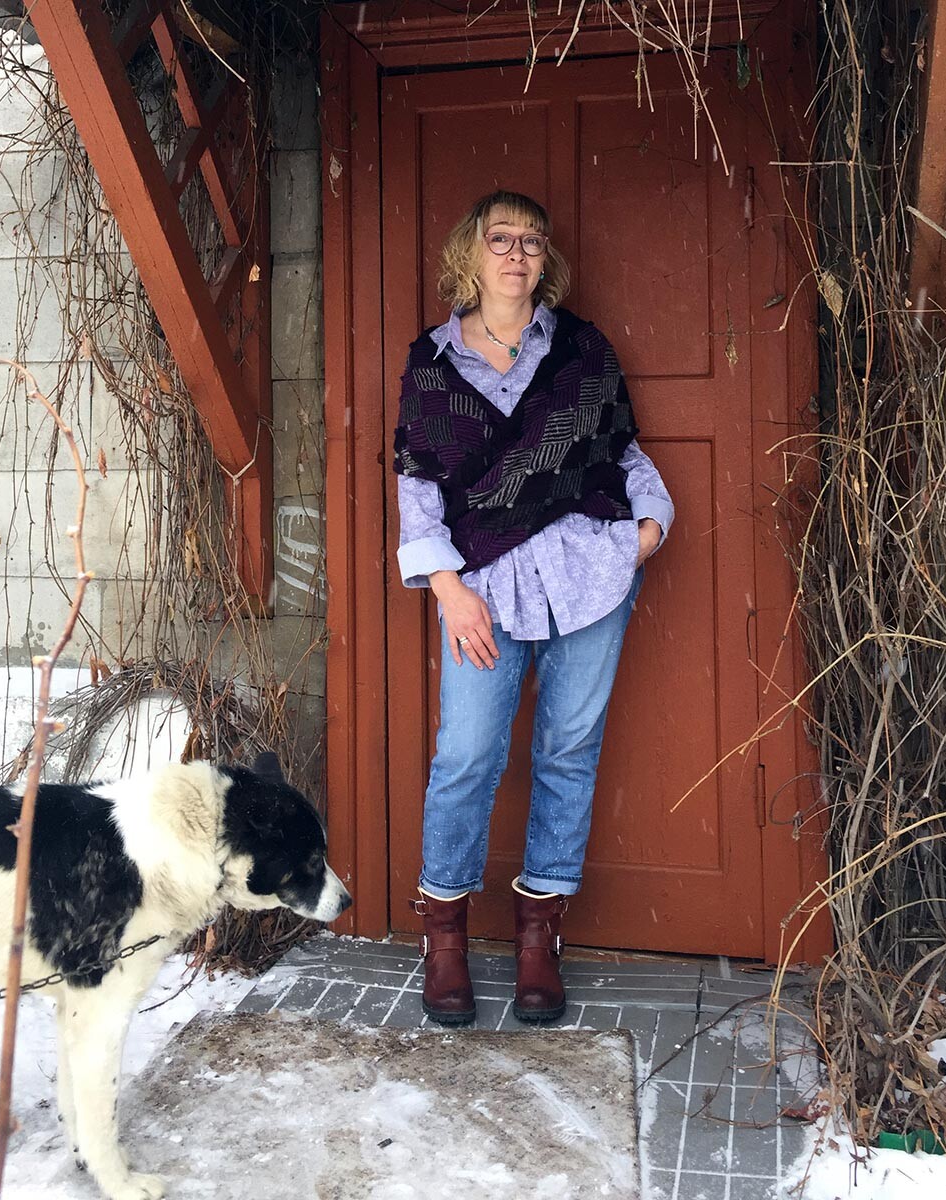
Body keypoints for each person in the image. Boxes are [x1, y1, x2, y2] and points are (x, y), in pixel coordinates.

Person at [392, 190, 674, 1025]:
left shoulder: (583, 349)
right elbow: (418, 488)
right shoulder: (433, 363)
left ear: (546, 259)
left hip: (590, 576)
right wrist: (447, 591)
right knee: (466, 756)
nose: (517, 253)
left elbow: (623, 453)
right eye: (501, 238)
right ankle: (443, 936)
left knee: (567, 752)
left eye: (532, 241)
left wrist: (649, 530)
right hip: (481, 589)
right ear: (470, 254)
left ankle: (538, 940)